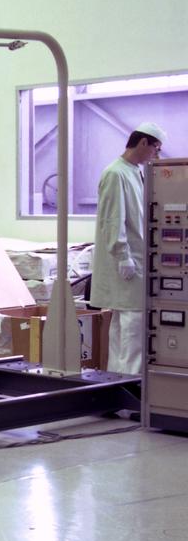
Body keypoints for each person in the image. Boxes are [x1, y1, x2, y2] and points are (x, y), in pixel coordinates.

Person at [89, 121, 165, 375]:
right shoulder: (116, 173)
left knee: (123, 328)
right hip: (128, 263)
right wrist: (123, 255)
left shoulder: (135, 171)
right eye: (155, 148)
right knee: (132, 330)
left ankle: (117, 384)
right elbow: (113, 218)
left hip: (135, 261)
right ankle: (130, 389)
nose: (157, 154)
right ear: (143, 142)